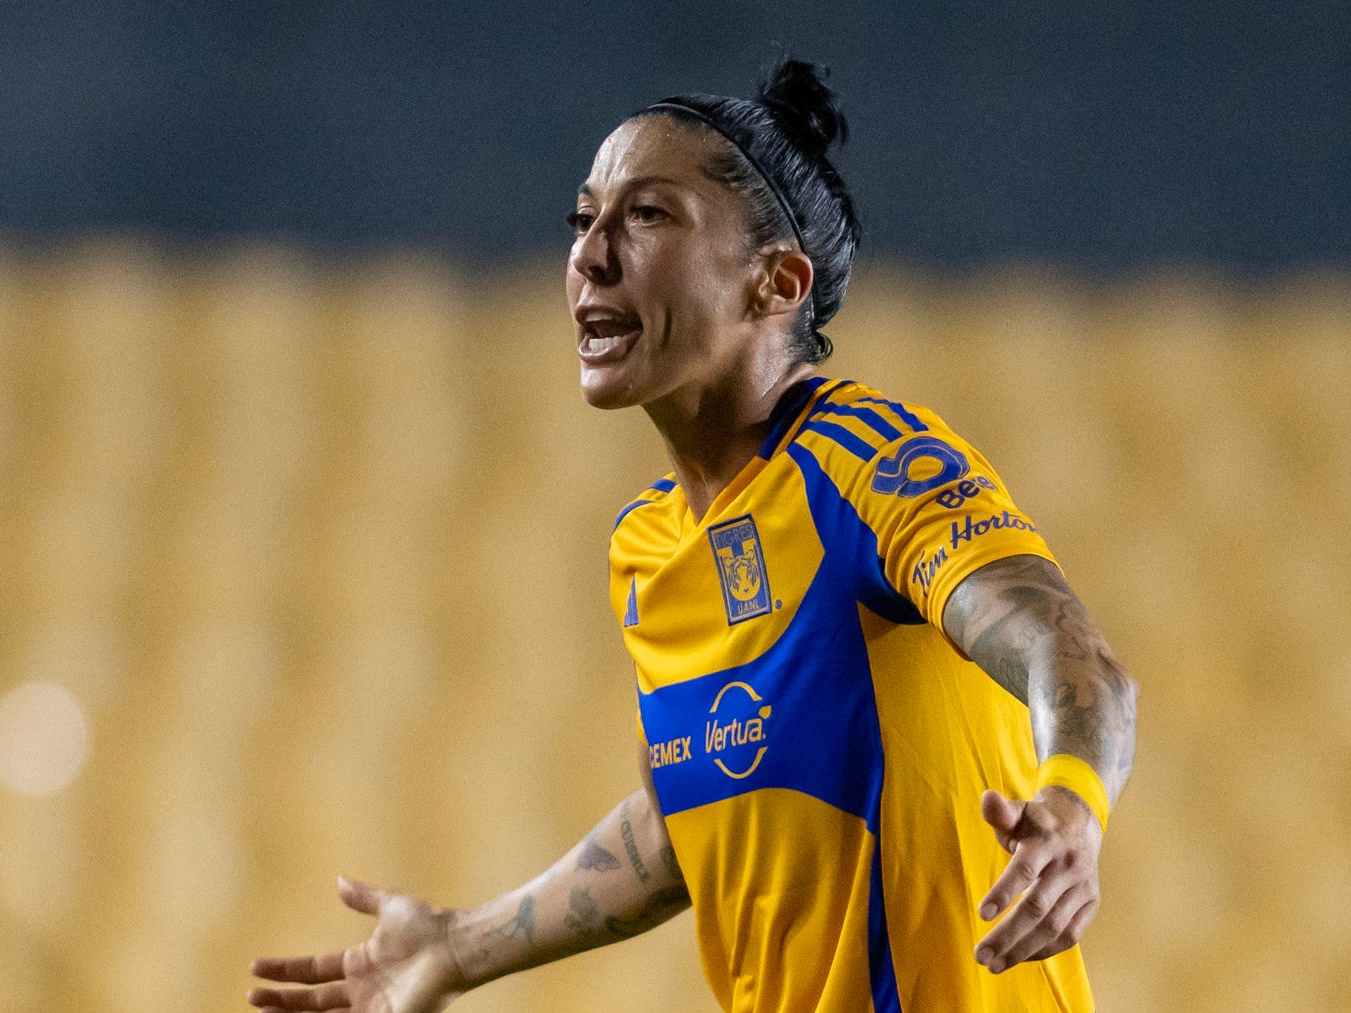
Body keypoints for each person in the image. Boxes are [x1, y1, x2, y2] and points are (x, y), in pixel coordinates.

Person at [249, 57, 1138, 1013]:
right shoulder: (646, 549)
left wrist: (1072, 809)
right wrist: (460, 946)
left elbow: (1068, 652)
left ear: (776, 282)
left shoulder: (865, 464)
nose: (590, 254)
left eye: (646, 215)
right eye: (581, 219)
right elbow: (689, 826)